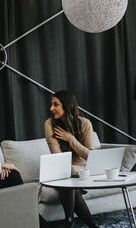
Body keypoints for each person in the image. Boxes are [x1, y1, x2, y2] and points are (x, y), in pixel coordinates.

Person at [44, 90, 97, 228]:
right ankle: (89, 225)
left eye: (56, 104)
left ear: (66, 106)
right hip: (61, 169)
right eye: (51, 104)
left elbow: (91, 157)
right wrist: (70, 170)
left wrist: (70, 139)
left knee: (70, 177)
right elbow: (58, 157)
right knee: (68, 176)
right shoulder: (49, 124)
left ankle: (69, 222)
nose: (51, 108)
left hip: (82, 169)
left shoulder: (85, 123)